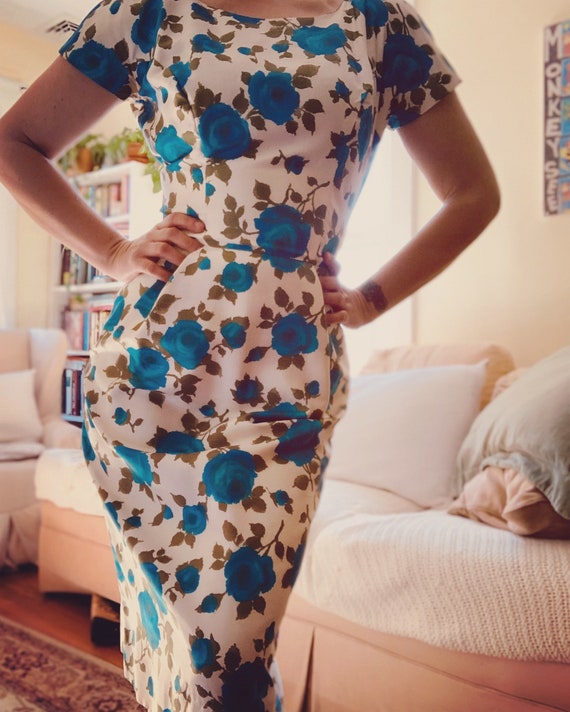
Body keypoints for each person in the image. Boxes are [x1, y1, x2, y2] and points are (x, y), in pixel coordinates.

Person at [0, 0, 500, 709]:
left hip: (290, 374)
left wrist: (372, 299)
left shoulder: (380, 23)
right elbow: (14, 141)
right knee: (187, 653)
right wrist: (113, 251)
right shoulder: (147, 12)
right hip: (155, 371)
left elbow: (473, 194)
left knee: (230, 659)